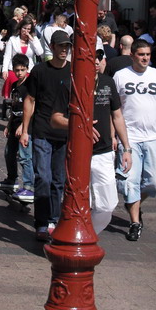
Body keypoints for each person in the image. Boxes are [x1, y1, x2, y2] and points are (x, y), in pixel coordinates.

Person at [51, 39, 133, 234]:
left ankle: (88, 234)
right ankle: (72, 233)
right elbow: (54, 119)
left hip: (103, 152)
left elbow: (117, 115)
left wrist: (126, 147)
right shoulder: (68, 83)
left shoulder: (107, 82)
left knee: (107, 204)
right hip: (77, 152)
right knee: (78, 202)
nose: (96, 61)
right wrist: (79, 125)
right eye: (92, 57)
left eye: (99, 56)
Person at [113, 38, 156, 241]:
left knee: (154, 181)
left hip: (153, 137)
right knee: (130, 182)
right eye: (141, 54)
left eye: (148, 54)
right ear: (132, 55)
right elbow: (115, 110)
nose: (145, 58)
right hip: (128, 138)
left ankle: (134, 202)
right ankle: (134, 222)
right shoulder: (120, 76)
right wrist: (114, 135)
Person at [20, 29, 72, 242]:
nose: (64, 50)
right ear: (52, 47)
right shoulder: (40, 70)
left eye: (67, 46)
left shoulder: (73, 71)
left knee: (59, 180)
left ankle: (53, 219)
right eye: (60, 46)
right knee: (43, 176)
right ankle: (42, 222)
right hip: (42, 130)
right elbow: (29, 100)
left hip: (64, 132)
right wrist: (25, 130)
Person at [0, 54, 34, 203]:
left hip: (25, 127)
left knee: (25, 157)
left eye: (22, 70)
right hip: (14, 124)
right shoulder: (15, 86)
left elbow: (31, 108)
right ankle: (12, 179)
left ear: (27, 69)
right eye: (17, 70)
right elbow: (13, 106)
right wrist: (8, 125)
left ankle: (28, 186)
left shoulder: (29, 86)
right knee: (9, 153)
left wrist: (23, 126)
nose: (19, 73)